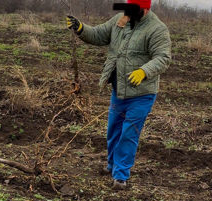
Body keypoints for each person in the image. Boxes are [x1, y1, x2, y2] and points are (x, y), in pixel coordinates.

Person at [67, 0, 172, 190]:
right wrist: (81, 28)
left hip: (142, 94)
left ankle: (121, 175)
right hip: (119, 90)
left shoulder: (157, 29)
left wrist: (144, 71)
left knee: (128, 134)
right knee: (113, 131)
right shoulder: (120, 19)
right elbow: (99, 34)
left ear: (145, 8)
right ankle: (112, 165)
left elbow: (163, 57)